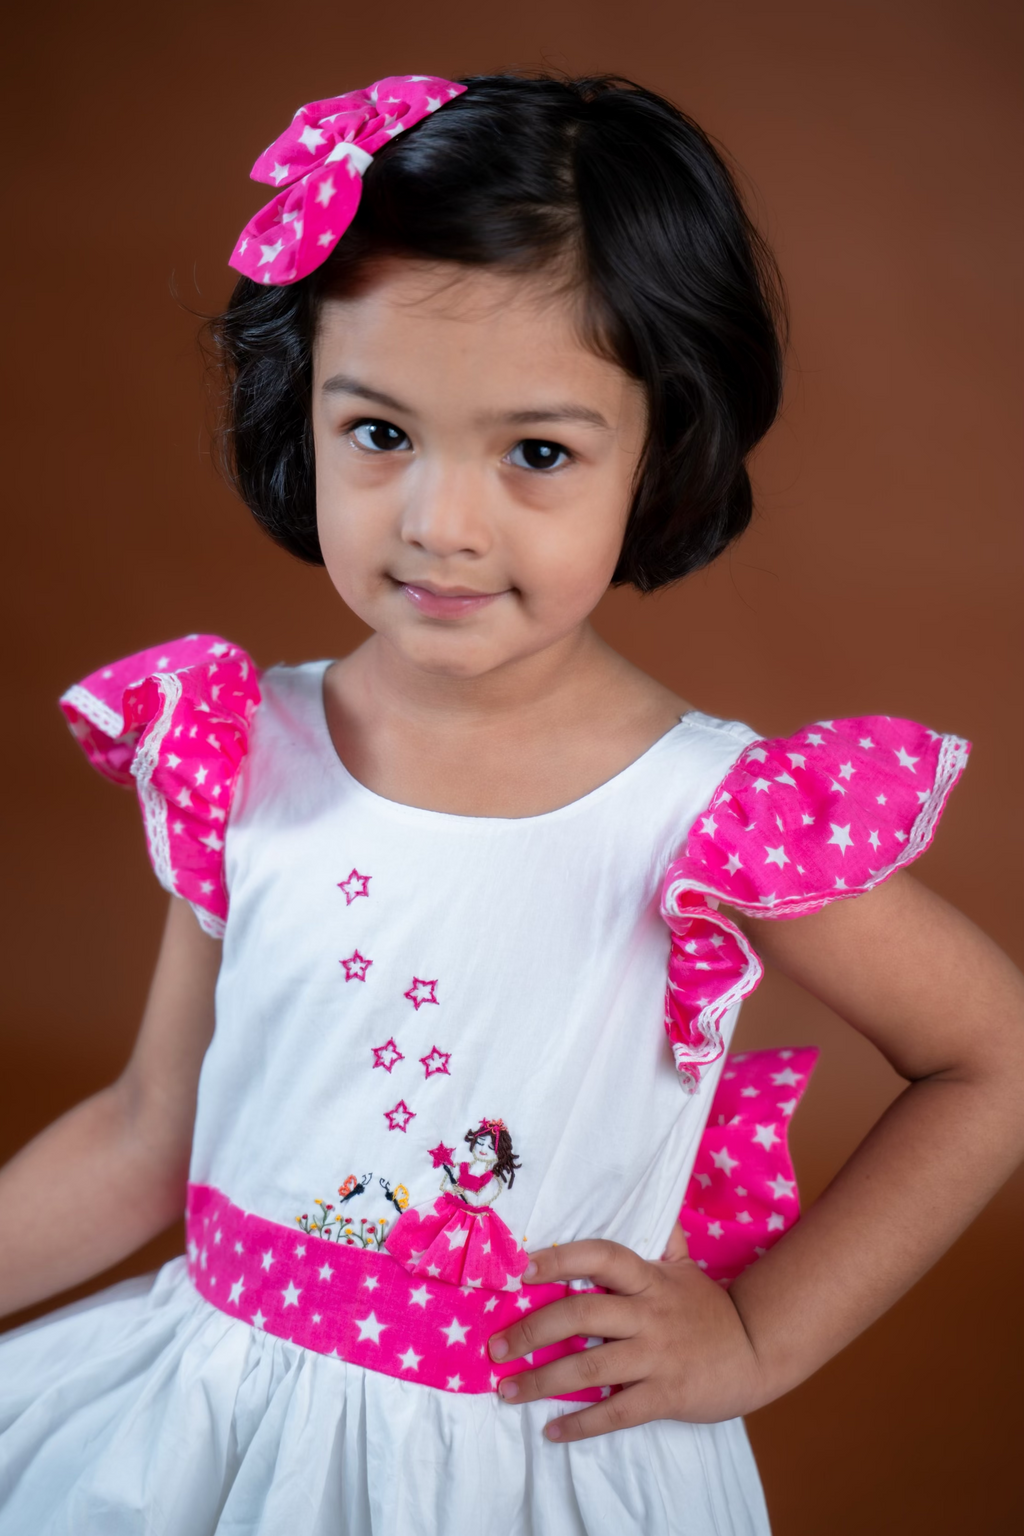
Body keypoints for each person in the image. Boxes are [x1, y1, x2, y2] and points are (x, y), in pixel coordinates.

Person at [0, 71, 1021, 1536]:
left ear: (658, 451)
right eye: (379, 433)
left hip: (527, 1470)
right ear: (303, 409)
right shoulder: (241, 750)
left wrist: (757, 1338)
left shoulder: (710, 818)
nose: (441, 524)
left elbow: (992, 1057)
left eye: (537, 453)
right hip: (220, 1421)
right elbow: (147, 1131)